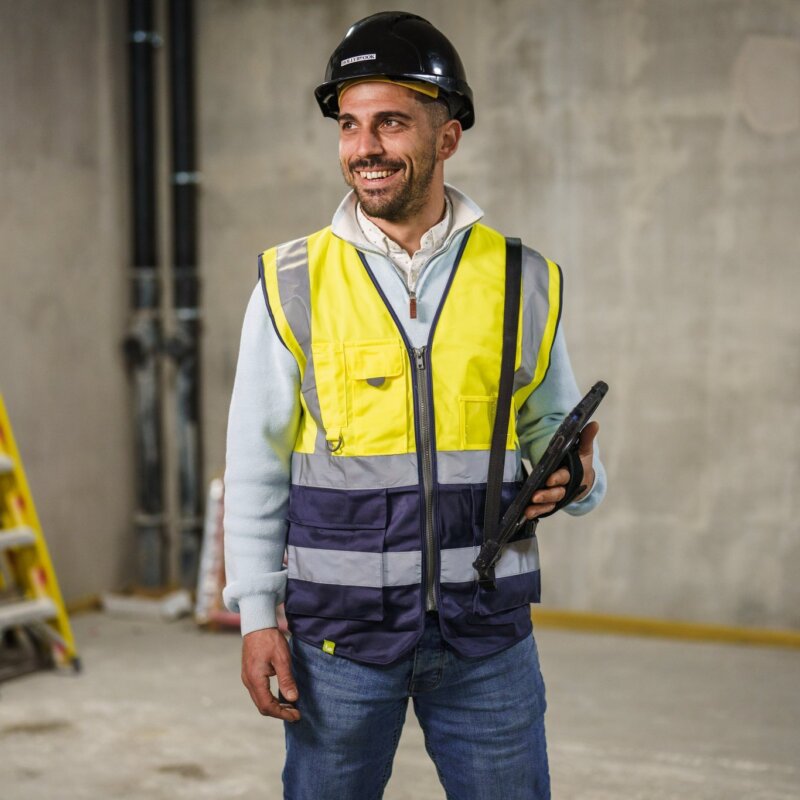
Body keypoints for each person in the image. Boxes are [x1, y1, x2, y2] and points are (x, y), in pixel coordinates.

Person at [223, 11, 606, 800]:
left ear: (448, 135)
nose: (364, 147)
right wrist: (258, 614)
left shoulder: (519, 278)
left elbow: (556, 433)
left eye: (390, 122)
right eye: (351, 125)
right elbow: (254, 466)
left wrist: (577, 479)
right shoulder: (290, 280)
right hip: (340, 645)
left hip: (488, 640)